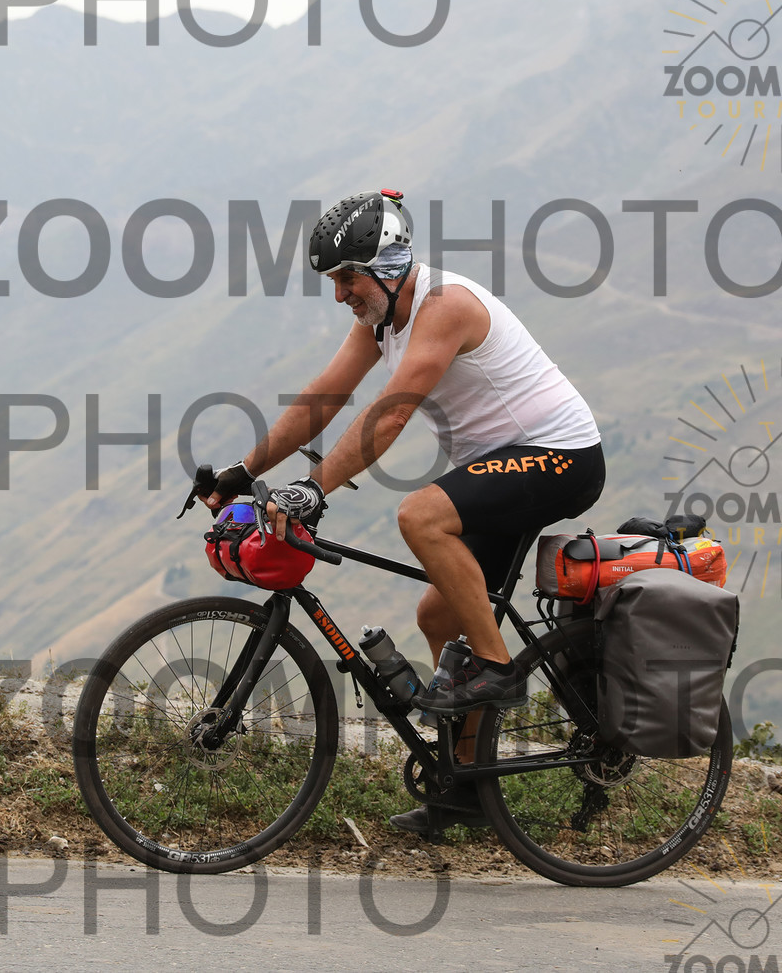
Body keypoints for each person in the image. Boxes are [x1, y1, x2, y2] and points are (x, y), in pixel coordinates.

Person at [206, 189, 604, 832]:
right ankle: (469, 787)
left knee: (421, 516)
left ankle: (498, 669)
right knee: (438, 615)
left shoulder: (444, 306)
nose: (340, 294)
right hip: (504, 466)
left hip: (560, 457)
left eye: (348, 278)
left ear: (387, 266)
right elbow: (324, 396)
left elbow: (390, 413)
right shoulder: (382, 317)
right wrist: (245, 470)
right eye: (334, 280)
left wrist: (314, 488)